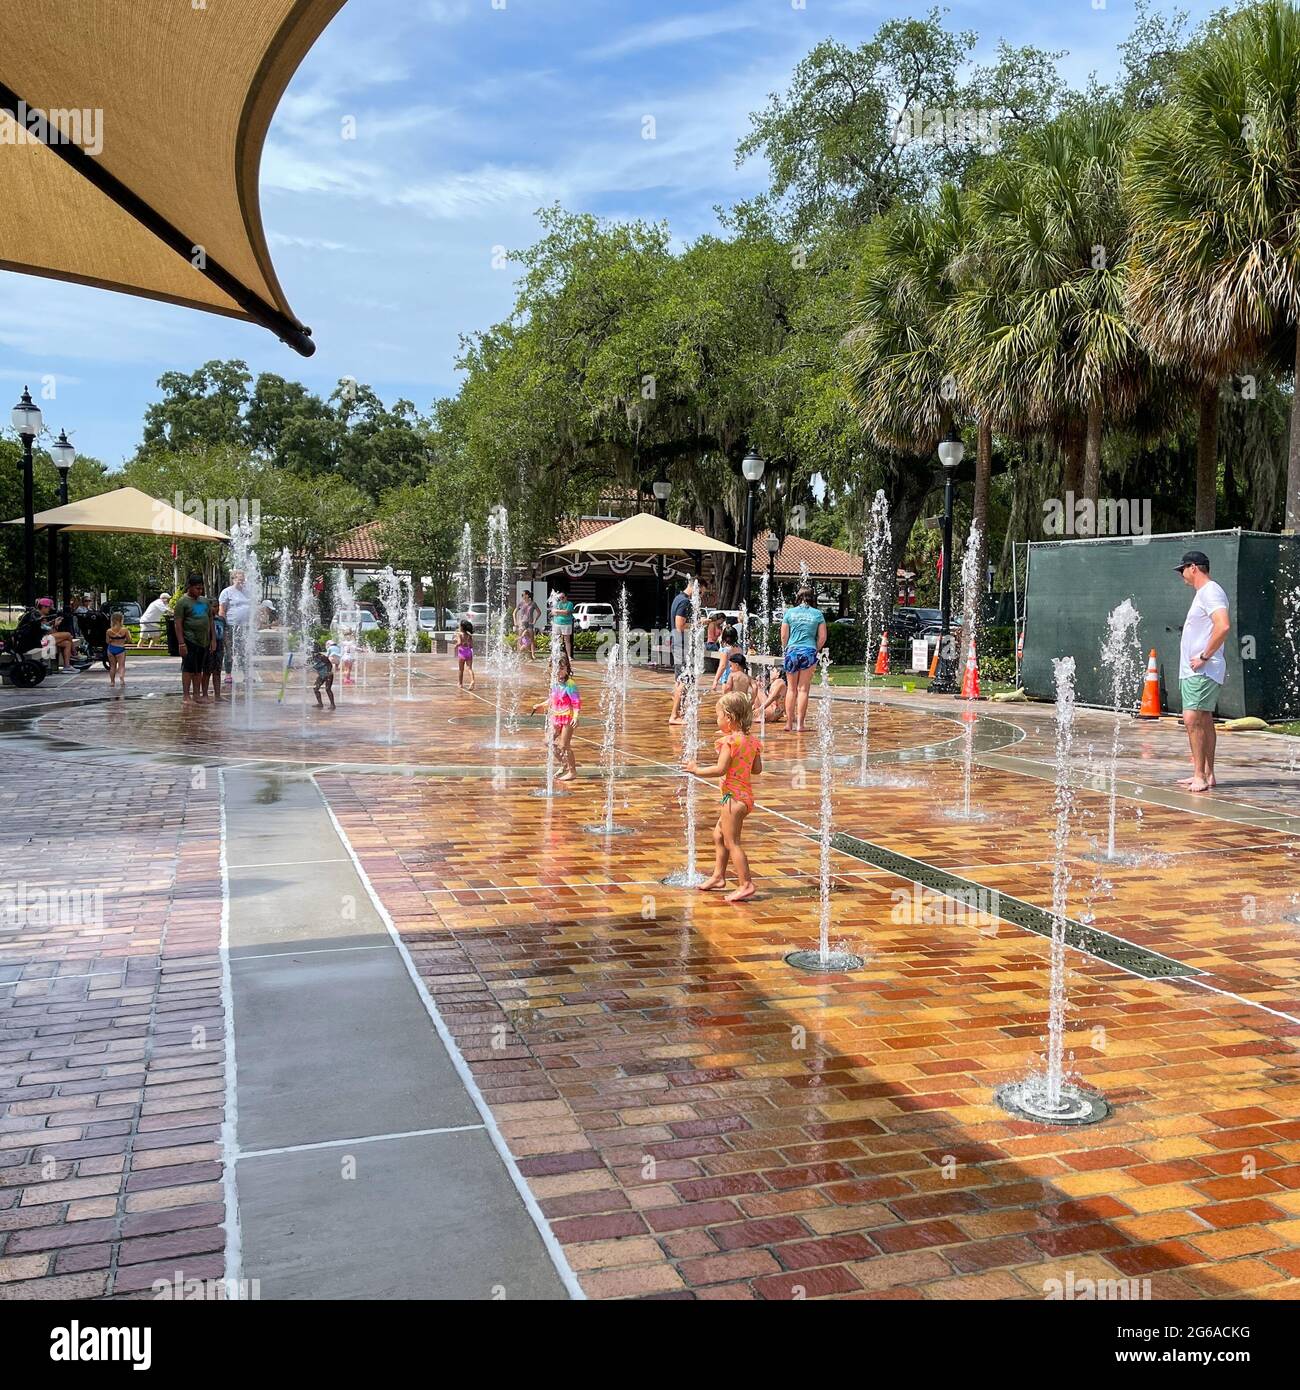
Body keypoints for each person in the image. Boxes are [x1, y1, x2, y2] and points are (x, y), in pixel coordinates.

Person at [684, 689, 763, 904]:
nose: (717, 720)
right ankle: (718, 877)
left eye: (718, 715)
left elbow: (720, 769)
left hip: (732, 800)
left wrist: (696, 769)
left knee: (732, 842)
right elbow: (757, 770)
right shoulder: (752, 742)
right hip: (745, 798)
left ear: (729, 717)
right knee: (719, 835)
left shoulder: (729, 742)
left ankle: (746, 884)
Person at [1175, 550, 1230, 793]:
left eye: (1182, 570)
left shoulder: (1210, 591)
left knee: (1192, 718)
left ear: (1193, 567)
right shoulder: (1204, 593)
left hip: (1202, 670)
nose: (1182, 575)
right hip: (1196, 670)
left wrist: (1205, 656)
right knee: (1204, 719)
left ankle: (1200, 775)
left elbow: (1223, 625)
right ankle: (1207, 773)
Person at [779, 586, 827, 734]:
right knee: (803, 689)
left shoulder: (789, 613)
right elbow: (823, 637)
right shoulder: (817, 614)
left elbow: (783, 636)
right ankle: (800, 724)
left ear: (798, 598)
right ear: (812, 598)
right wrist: (814, 649)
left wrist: (787, 648)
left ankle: (788, 723)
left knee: (791, 689)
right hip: (809, 651)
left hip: (792, 651)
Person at [531, 652, 580, 780]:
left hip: (568, 718)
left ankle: (572, 771)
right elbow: (552, 700)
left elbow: (576, 702)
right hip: (557, 717)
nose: (559, 672)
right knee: (548, 742)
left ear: (567, 669)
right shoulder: (555, 683)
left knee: (564, 745)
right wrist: (540, 705)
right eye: (556, 668)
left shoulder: (570, 684)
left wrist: (575, 717)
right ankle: (564, 764)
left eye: (562, 669)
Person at [174, 573, 217, 702]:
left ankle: (197, 695)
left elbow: (210, 620)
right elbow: (178, 624)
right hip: (189, 640)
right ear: (190, 587)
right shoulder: (182, 603)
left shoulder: (204, 601)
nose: (200, 591)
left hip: (203, 640)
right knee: (188, 668)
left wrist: (213, 639)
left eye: (201, 588)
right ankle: (186, 695)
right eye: (197, 588)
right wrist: (181, 643)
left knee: (199, 669)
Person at [219, 570, 252, 683]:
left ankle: (246, 675)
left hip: (245, 626)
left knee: (244, 651)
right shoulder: (226, 592)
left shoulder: (248, 592)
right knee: (229, 650)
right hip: (231, 626)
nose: (242, 582)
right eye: (239, 580)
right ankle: (228, 674)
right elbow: (222, 611)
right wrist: (223, 626)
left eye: (243, 580)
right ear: (233, 579)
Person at [34, 599, 76, 669]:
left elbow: (47, 629)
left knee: (67, 643)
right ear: (43, 607)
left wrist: (54, 623)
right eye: (48, 608)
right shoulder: (38, 616)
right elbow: (47, 631)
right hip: (40, 640)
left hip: (44, 639)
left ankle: (67, 666)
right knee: (68, 634)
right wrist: (55, 624)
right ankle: (75, 654)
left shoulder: (42, 616)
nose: (49, 610)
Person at [708, 626, 741, 691]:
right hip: (738, 675)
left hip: (728, 677)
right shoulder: (739, 648)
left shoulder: (725, 650)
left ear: (725, 637)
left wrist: (715, 680)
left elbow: (722, 666)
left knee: (727, 699)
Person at [105, 610, 130, 690]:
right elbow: (129, 640)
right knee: (121, 666)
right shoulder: (124, 630)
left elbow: (107, 641)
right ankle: (122, 679)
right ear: (121, 620)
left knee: (112, 666)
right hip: (120, 649)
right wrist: (123, 640)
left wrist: (113, 639)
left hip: (111, 649)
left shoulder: (109, 631)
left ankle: (112, 682)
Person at [550, 584, 575, 662]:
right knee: (555, 639)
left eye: (563, 597)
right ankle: (553, 655)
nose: (561, 599)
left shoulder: (569, 604)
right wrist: (559, 612)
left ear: (566, 597)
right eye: (560, 598)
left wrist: (557, 611)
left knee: (567, 640)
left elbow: (567, 612)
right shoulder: (558, 603)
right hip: (557, 623)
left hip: (566, 623)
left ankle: (569, 656)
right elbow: (553, 612)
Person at [310, 639, 336, 710]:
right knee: (315, 688)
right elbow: (305, 666)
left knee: (327, 689)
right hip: (321, 676)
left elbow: (330, 665)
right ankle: (320, 703)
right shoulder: (311, 659)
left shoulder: (322, 657)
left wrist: (328, 672)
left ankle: (332, 704)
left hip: (328, 675)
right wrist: (292, 667)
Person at [515, 590, 540, 661]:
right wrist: (516, 621)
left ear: (527, 595)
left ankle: (532, 655)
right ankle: (519, 654)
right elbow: (514, 612)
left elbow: (539, 612)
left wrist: (535, 620)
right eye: (522, 595)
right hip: (522, 623)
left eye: (523, 595)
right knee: (520, 639)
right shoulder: (521, 603)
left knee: (531, 639)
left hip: (529, 623)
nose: (522, 596)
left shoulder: (533, 603)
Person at [456, 619, 475, 690]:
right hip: (469, 652)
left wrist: (455, 646)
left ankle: (460, 684)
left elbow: (459, 643)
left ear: (461, 627)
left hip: (462, 653)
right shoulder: (469, 635)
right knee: (469, 668)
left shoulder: (459, 634)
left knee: (461, 669)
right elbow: (471, 646)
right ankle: (472, 681)